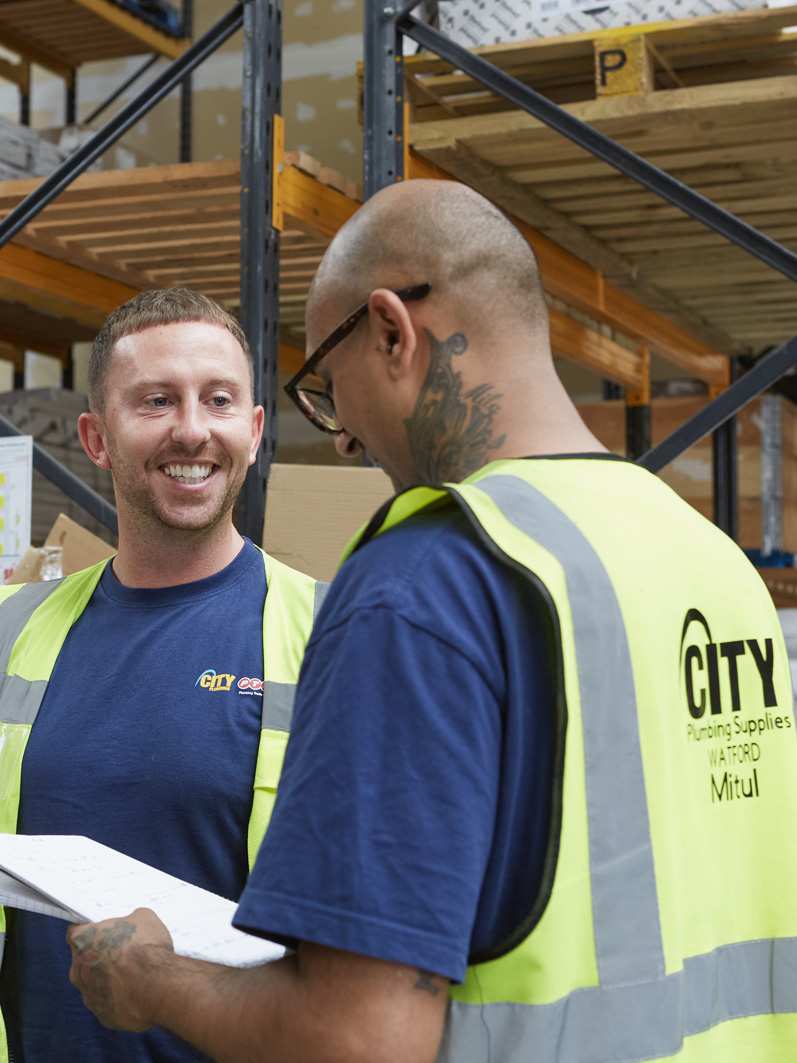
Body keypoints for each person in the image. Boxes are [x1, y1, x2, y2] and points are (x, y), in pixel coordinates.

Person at [67, 181, 797, 1062]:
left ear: (390, 332)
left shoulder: (426, 582)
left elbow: (359, 1039)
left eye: (329, 384)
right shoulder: (709, 558)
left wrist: (152, 980)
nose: (343, 435)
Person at [0, 289, 325, 1063]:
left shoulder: (330, 635)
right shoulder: (13, 627)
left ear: (253, 431)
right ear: (96, 437)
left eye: (218, 399)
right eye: (156, 400)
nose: (192, 428)